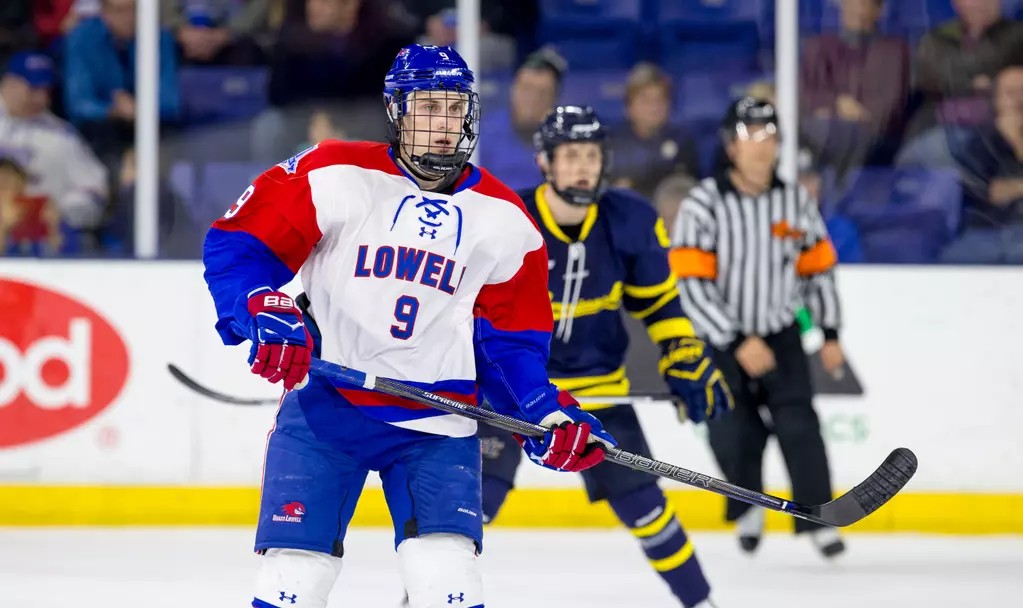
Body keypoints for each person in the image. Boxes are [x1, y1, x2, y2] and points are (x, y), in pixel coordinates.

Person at [201, 44, 617, 608]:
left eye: (454, 109)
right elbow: (240, 245)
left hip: (438, 420)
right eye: (427, 107)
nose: (443, 124)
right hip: (327, 404)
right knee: (293, 580)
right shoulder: (334, 171)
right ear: (397, 110)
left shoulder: (506, 222)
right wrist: (260, 306)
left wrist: (543, 414)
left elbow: (508, 348)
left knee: (446, 582)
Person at [476, 106, 732, 608]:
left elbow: (659, 304)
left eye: (591, 156)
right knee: (469, 508)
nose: (583, 167)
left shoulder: (629, 219)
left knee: (648, 509)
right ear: (545, 162)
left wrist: (682, 351)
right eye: (571, 155)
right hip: (514, 392)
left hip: (600, 390)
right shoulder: (509, 218)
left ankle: (702, 603)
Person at [670, 97, 847, 558]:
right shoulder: (703, 204)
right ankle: (748, 506)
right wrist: (735, 339)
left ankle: (816, 518)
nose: (761, 145)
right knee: (731, 431)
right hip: (721, 340)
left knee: (799, 424)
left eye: (770, 134)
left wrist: (829, 333)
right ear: (731, 146)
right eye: (750, 134)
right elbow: (690, 284)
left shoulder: (795, 202)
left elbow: (818, 270)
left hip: (780, 333)